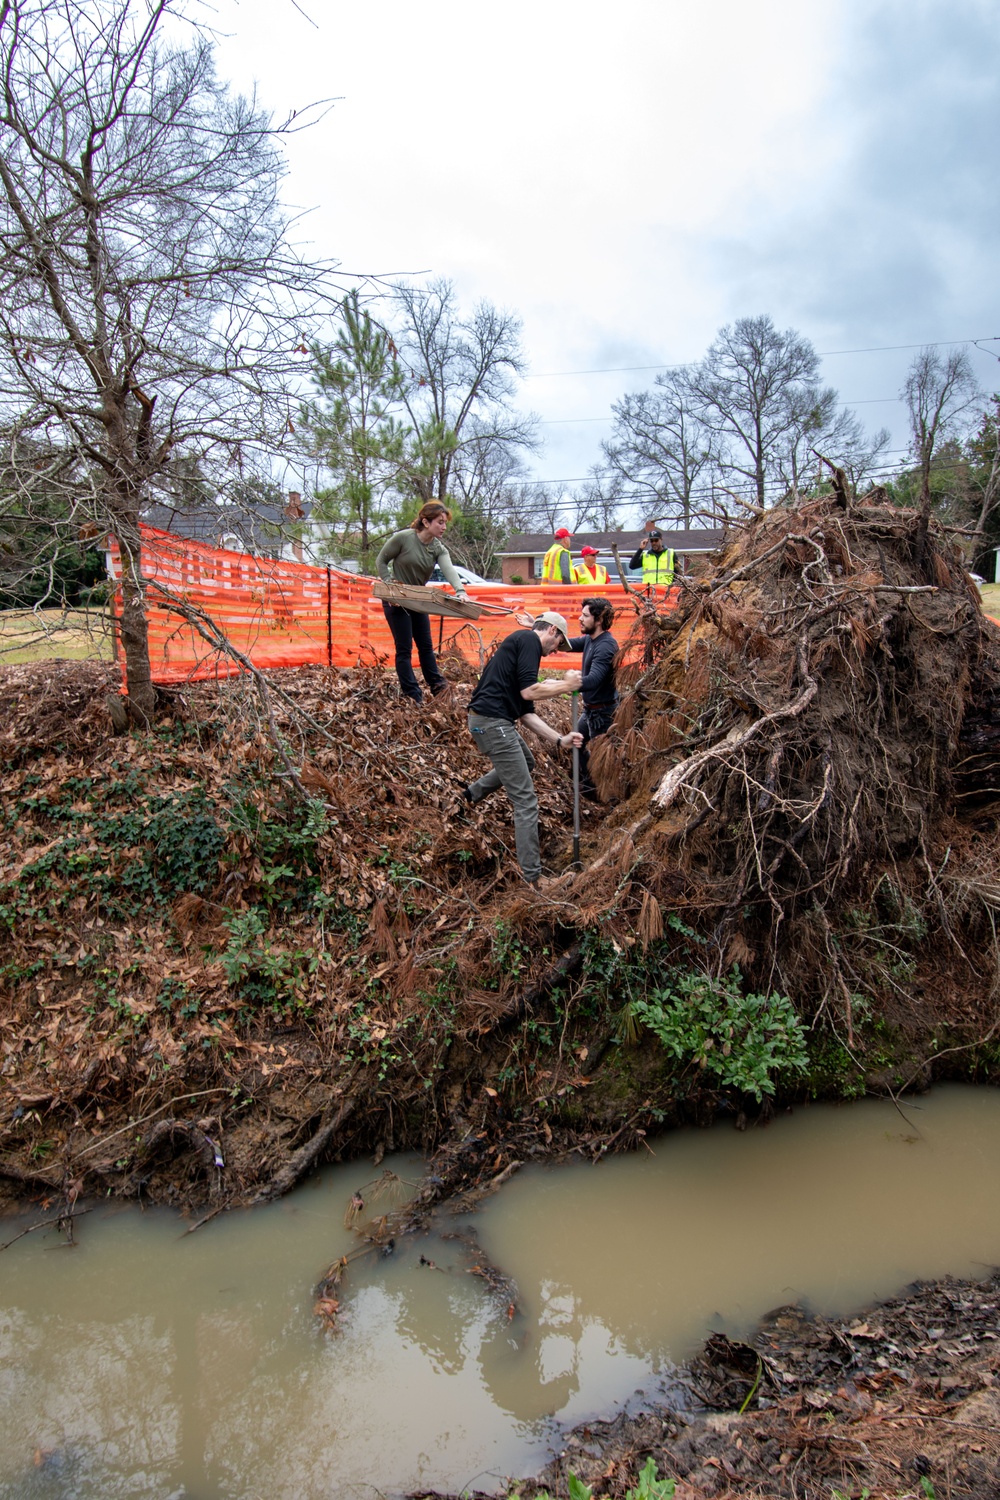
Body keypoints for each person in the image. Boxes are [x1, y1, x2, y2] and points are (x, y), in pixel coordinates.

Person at [465, 612, 583, 886]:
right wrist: (566, 685)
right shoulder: (529, 639)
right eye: (558, 645)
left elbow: (526, 713)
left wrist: (559, 740)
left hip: (491, 721)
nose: (555, 652)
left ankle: (470, 795)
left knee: (527, 762)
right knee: (526, 802)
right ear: (552, 630)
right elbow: (531, 691)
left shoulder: (522, 645)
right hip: (493, 723)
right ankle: (534, 879)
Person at [375, 502, 468, 703]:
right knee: (404, 648)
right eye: (440, 522)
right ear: (425, 522)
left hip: (419, 599)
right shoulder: (404, 538)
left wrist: (460, 591)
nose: (443, 527)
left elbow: (449, 569)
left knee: (426, 647)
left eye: (445, 523)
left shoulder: (437, 548)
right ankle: (413, 695)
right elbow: (381, 561)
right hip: (397, 600)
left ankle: (439, 689)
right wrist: (391, 587)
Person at [566, 597, 618, 801]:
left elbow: (594, 680)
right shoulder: (590, 639)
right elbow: (567, 644)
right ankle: (589, 788)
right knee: (575, 742)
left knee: (603, 763)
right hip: (591, 711)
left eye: (585, 616)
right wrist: (539, 628)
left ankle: (610, 802)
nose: (580, 618)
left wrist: (567, 683)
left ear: (598, 620)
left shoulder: (606, 646)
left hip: (603, 714)